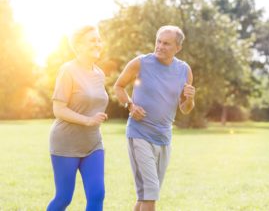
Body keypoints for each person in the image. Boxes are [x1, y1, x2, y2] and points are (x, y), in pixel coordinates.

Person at [114, 25, 195, 211]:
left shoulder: (184, 70)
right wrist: (130, 106)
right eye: (158, 41)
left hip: (164, 139)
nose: (160, 46)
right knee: (150, 195)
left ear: (178, 47)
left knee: (145, 196)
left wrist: (190, 99)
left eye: (166, 43)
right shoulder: (141, 63)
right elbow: (119, 86)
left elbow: (185, 109)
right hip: (139, 134)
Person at [47, 25, 109, 211]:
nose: (97, 44)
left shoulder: (99, 73)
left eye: (99, 40)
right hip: (66, 143)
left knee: (97, 194)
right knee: (64, 197)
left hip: (93, 143)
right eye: (92, 40)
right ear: (79, 46)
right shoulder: (68, 70)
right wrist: (88, 120)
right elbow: (58, 109)